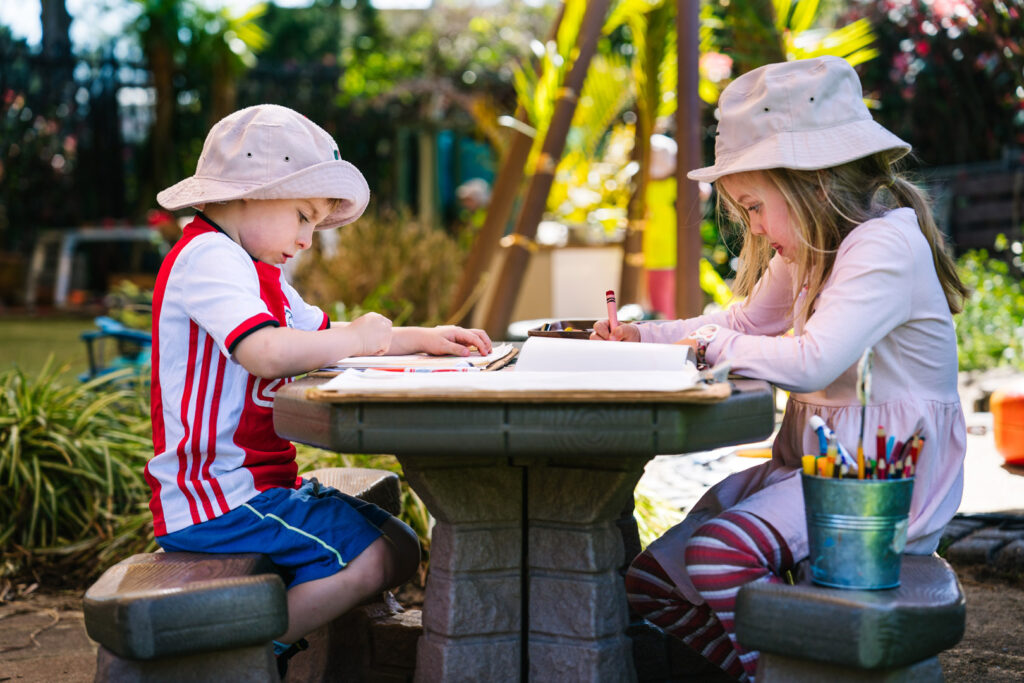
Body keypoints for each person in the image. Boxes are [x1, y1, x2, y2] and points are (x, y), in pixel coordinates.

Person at [592, 57, 968, 681]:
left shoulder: (882, 245)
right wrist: (639, 337)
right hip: (817, 466)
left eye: (755, 207)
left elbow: (813, 358)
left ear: (811, 186)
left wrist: (708, 343)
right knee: (656, 579)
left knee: (717, 555)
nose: (757, 229)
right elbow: (744, 326)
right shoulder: (812, 247)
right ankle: (766, 670)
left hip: (878, 484)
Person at [145, 104, 493, 674]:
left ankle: (261, 638)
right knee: (377, 555)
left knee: (399, 545)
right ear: (251, 192)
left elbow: (326, 338)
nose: (308, 239)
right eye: (303, 216)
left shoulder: (258, 272)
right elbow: (264, 352)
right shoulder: (209, 256)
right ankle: (241, 660)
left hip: (257, 489)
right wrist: (359, 336)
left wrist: (424, 338)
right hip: (219, 498)